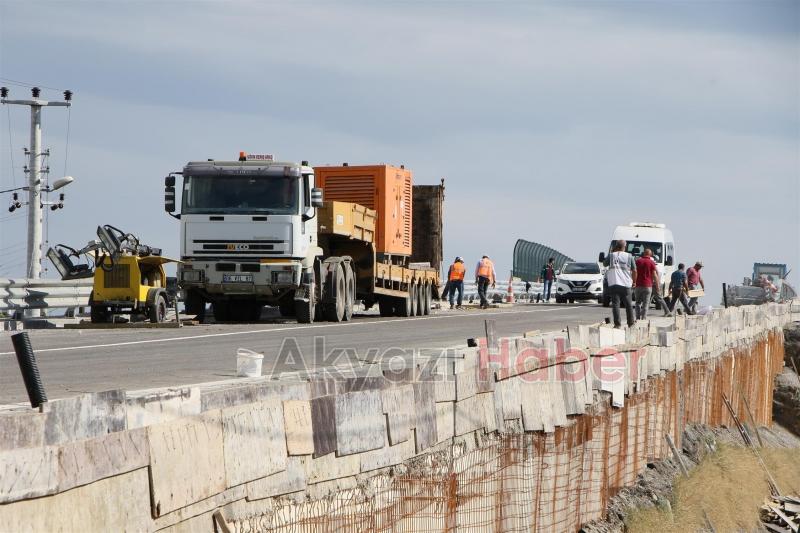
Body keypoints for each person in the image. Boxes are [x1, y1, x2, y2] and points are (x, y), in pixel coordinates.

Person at [606, 240, 636, 328]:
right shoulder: (629, 256)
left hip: (614, 283)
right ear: (625, 246)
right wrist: (634, 281)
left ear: (616, 246)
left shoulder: (611, 255)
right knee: (628, 304)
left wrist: (612, 252)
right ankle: (631, 323)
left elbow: (604, 264)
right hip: (626, 284)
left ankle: (617, 324)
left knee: (615, 304)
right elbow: (634, 270)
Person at [634, 248, 659, 320]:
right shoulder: (651, 262)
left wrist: (633, 282)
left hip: (638, 285)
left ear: (643, 253)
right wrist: (657, 286)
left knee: (638, 303)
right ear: (650, 254)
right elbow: (654, 275)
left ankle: (637, 318)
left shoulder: (638, 261)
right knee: (646, 304)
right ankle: (643, 319)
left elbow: (634, 272)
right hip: (648, 286)